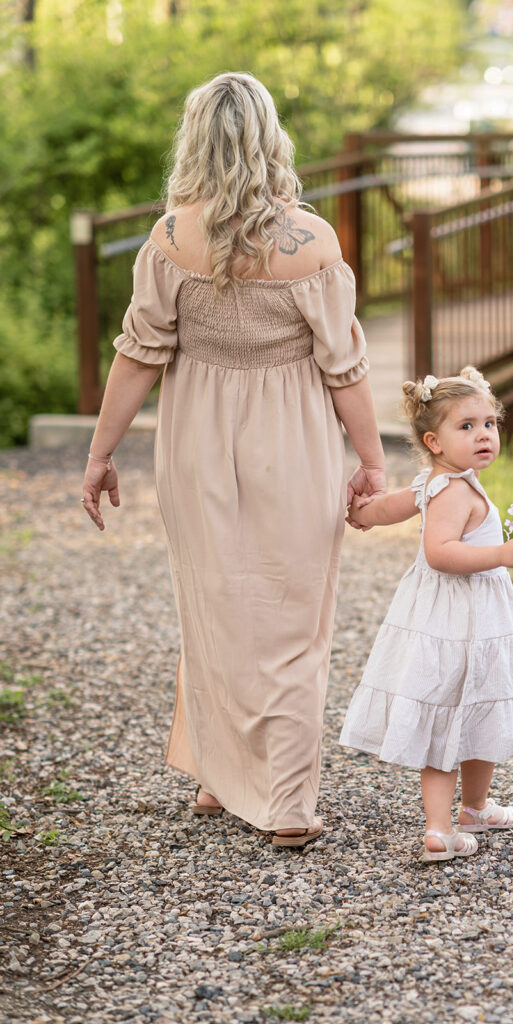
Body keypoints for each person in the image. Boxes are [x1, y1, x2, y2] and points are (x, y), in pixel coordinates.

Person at [81, 72, 385, 847]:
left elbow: (137, 356)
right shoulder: (312, 241)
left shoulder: (170, 239)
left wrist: (100, 454)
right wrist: (370, 460)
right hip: (294, 441)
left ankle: (222, 780)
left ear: (195, 140)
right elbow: (343, 367)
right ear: (268, 138)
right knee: (290, 615)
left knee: (213, 603)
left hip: (195, 442)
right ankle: (283, 803)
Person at [340, 367, 513, 862]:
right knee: (448, 716)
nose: (484, 434)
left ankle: (474, 809)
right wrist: (500, 555)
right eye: (466, 427)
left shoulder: (434, 482)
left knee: (477, 709)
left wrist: (359, 512)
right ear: (434, 441)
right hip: (461, 624)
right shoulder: (455, 491)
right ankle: (440, 828)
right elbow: (440, 553)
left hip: (463, 623)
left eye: (489, 423)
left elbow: (387, 507)